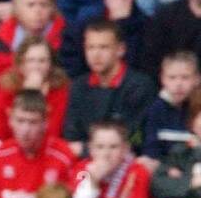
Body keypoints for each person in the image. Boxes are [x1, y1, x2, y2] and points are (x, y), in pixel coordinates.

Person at [0, 90, 76, 198]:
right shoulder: (1, 154)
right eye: (20, 121)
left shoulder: (63, 156)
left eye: (33, 122)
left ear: (46, 123)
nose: (25, 129)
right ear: (10, 120)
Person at [64, 18, 157, 148]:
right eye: (90, 48)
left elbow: (134, 138)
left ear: (121, 50)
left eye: (103, 47)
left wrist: (84, 149)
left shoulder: (140, 86)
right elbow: (71, 135)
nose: (96, 54)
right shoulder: (79, 86)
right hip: (86, 165)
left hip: (127, 162)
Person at [70, 118, 150, 198]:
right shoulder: (81, 169)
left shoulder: (137, 172)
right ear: (90, 149)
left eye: (113, 147)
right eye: (100, 147)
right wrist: (93, 182)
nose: (106, 153)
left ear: (125, 149)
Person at [140, 49, 201, 165]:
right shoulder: (155, 109)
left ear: (197, 79)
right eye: (172, 78)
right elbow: (151, 149)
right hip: (162, 170)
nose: (178, 84)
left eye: (185, 77)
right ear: (162, 79)